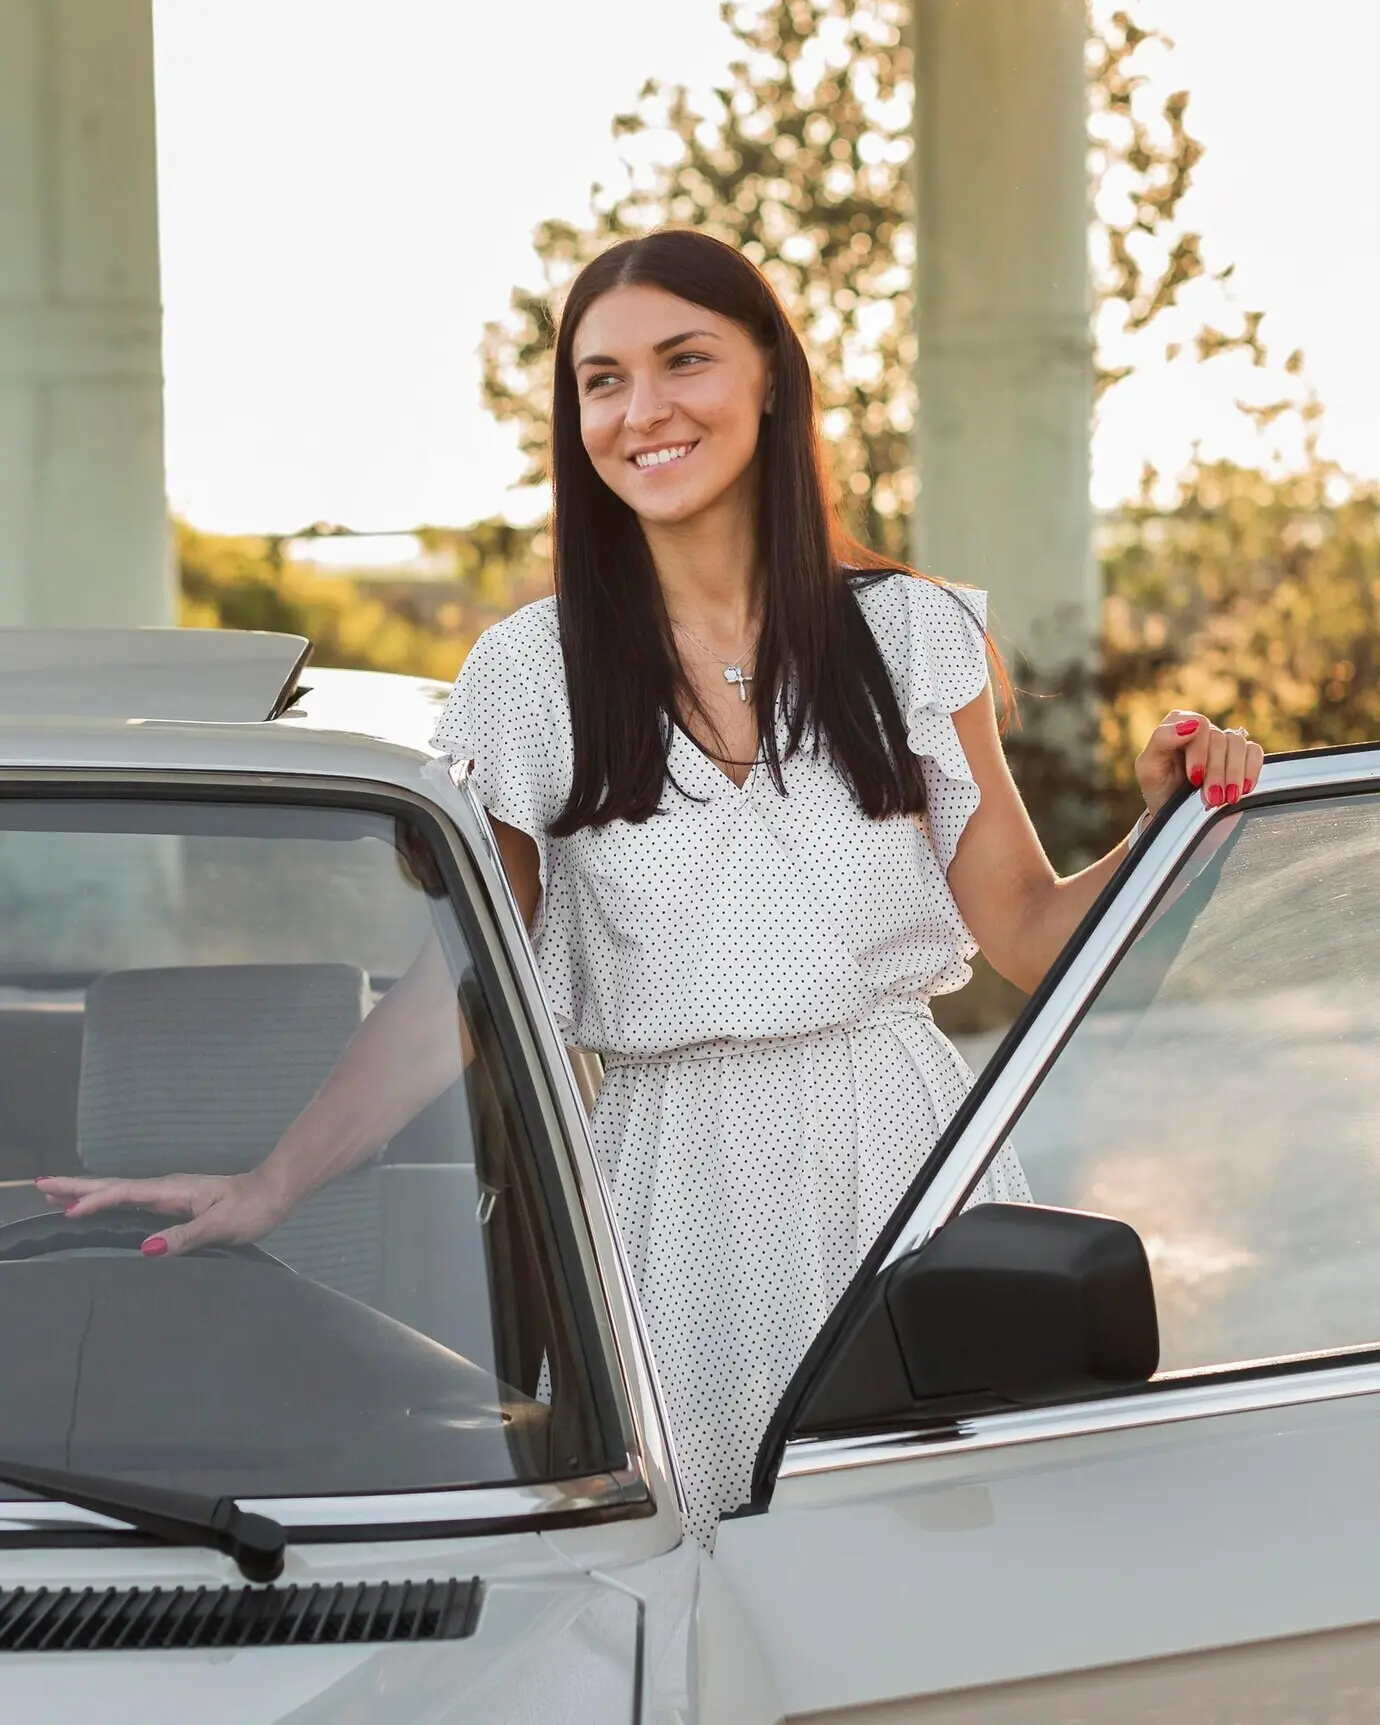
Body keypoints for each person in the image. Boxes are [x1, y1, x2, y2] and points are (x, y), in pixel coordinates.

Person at [38, 230, 1263, 1547]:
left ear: (771, 381)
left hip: (902, 1158)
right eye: (602, 381)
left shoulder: (913, 633)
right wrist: (270, 1186)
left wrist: (1169, 821)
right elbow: (463, 987)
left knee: (947, 1552)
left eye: (685, 361)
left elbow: (1031, 931)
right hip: (671, 1190)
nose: (644, 410)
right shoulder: (528, 675)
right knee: (699, 1571)